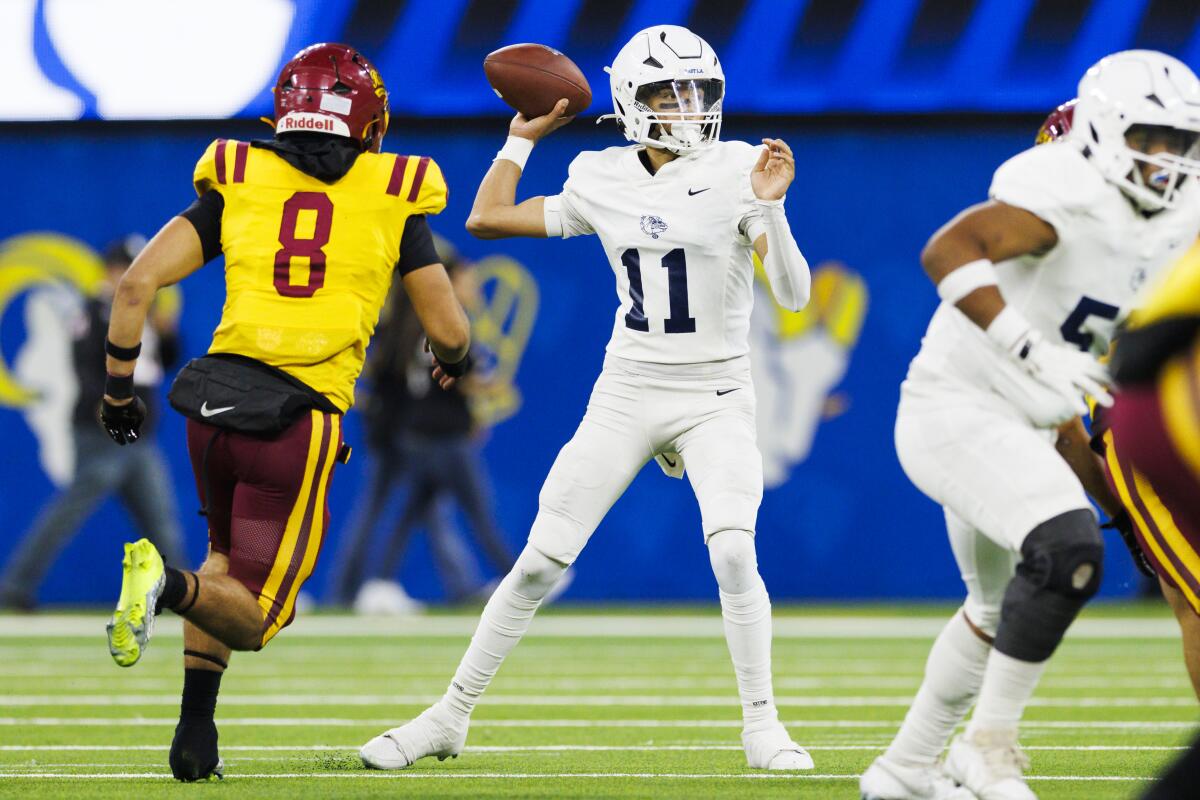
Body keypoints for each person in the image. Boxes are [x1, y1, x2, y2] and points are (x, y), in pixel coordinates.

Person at [361, 24, 814, 772]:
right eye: (671, 93)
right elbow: (486, 217)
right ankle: (449, 716)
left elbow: (793, 298)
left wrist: (771, 207)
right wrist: (519, 138)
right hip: (630, 387)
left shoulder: (740, 169)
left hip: (715, 390)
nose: (690, 107)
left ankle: (762, 726)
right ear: (633, 101)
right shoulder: (601, 174)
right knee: (541, 560)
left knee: (734, 550)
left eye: (699, 91)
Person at [98, 42, 471, 781]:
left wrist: (116, 392)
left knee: (225, 565)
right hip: (295, 420)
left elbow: (135, 287)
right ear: (367, 120)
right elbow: (451, 330)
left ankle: (194, 738)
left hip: (211, 404)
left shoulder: (238, 173)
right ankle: (162, 587)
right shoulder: (397, 187)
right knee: (260, 612)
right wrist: (453, 362)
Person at [859, 50, 1200, 800]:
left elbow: (1069, 414)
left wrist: (1119, 505)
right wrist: (1027, 347)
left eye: (1180, 142)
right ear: (1107, 131)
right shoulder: (1065, 190)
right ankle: (988, 745)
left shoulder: (1181, 219)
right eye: (1150, 138)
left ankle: (904, 771)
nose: (1166, 159)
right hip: (956, 408)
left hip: (1031, 428)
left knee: (995, 606)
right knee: (1064, 551)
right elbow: (948, 250)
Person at [331, 239, 519, 609]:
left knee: (418, 509)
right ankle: (363, 588)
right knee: (429, 508)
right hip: (413, 428)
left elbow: (384, 369)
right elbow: (435, 376)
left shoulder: (403, 314)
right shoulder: (426, 318)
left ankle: (373, 587)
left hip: (400, 425)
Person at [0, 236, 184, 610]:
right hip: (103, 431)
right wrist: (109, 412)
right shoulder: (96, 311)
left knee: (160, 522)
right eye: (129, 270)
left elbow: (161, 363)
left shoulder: (144, 312)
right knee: (69, 512)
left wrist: (166, 333)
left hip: (139, 436)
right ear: (111, 271)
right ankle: (15, 587)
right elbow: (86, 367)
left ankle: (183, 597)